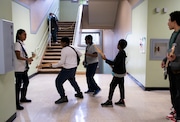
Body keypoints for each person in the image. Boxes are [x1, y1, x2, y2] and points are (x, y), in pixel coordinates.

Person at [51, 37, 83, 104]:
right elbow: (80, 54)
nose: (60, 44)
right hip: (74, 68)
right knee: (72, 81)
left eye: (61, 42)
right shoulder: (73, 47)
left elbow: (61, 62)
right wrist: (72, 60)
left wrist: (53, 65)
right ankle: (79, 93)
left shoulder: (64, 50)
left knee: (58, 82)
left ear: (65, 43)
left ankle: (63, 97)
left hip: (67, 69)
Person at [161, 11, 180, 122]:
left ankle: (178, 115)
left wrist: (176, 58)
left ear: (175, 21)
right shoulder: (174, 34)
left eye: (169, 20)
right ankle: (176, 110)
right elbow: (170, 51)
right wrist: (165, 60)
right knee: (173, 92)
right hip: (172, 68)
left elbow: (176, 54)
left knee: (178, 93)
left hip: (178, 69)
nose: (168, 23)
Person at [101, 39, 127, 107]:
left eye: (118, 44)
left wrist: (105, 59)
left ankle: (109, 101)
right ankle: (122, 100)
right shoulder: (123, 52)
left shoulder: (120, 53)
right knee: (121, 86)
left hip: (118, 74)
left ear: (120, 45)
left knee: (112, 86)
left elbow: (114, 63)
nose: (117, 45)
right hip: (122, 72)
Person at [14, 29, 33, 110]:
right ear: (19, 35)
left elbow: (23, 56)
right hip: (18, 69)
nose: (25, 36)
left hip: (23, 68)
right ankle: (17, 103)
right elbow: (18, 56)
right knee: (18, 86)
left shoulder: (22, 44)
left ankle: (23, 97)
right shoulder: (17, 44)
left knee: (26, 82)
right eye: (24, 34)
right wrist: (27, 60)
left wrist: (28, 60)